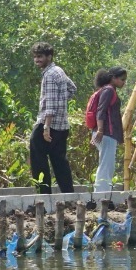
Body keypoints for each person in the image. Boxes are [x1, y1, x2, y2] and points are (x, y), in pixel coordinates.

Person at [30, 42, 77, 194]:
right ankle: (68, 195)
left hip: (48, 125)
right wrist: (61, 101)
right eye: (35, 57)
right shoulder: (59, 71)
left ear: (49, 57)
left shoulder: (49, 75)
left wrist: (46, 127)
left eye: (40, 57)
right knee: (60, 162)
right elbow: (72, 89)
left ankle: (44, 195)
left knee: (38, 161)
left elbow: (49, 105)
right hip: (62, 126)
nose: (37, 60)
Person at [91, 66, 127, 194]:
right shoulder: (109, 90)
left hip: (105, 134)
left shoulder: (108, 90)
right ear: (113, 78)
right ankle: (101, 195)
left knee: (107, 164)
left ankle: (103, 192)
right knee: (106, 166)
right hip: (106, 133)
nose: (124, 82)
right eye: (122, 79)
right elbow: (101, 111)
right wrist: (100, 130)